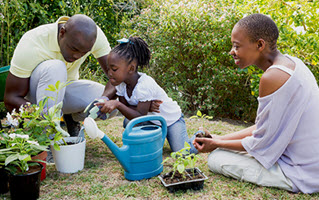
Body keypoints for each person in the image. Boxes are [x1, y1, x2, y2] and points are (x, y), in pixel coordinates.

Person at [193, 13, 319, 194]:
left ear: (260, 45)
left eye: (236, 46)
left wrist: (217, 145)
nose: (231, 51)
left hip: (302, 172)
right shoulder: (294, 64)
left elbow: (260, 142)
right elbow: (263, 128)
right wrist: (217, 139)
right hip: (313, 165)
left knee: (217, 158)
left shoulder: (272, 77)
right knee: (221, 149)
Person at [4, 14, 116, 136]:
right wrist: (39, 115)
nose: (77, 56)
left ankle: (71, 119)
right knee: (56, 68)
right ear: (62, 33)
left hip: (64, 93)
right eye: (74, 49)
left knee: (112, 104)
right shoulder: (32, 42)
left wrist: (104, 98)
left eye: (84, 53)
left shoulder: (92, 36)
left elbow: (115, 76)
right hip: (35, 99)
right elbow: (11, 98)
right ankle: (48, 138)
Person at [95, 36, 197, 153]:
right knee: (128, 122)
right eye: (108, 69)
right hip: (153, 120)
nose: (109, 73)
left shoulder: (144, 85)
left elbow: (139, 115)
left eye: (114, 69)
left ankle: (200, 136)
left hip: (171, 120)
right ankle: (152, 140)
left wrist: (117, 104)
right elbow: (128, 110)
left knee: (182, 153)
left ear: (131, 68)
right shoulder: (121, 84)